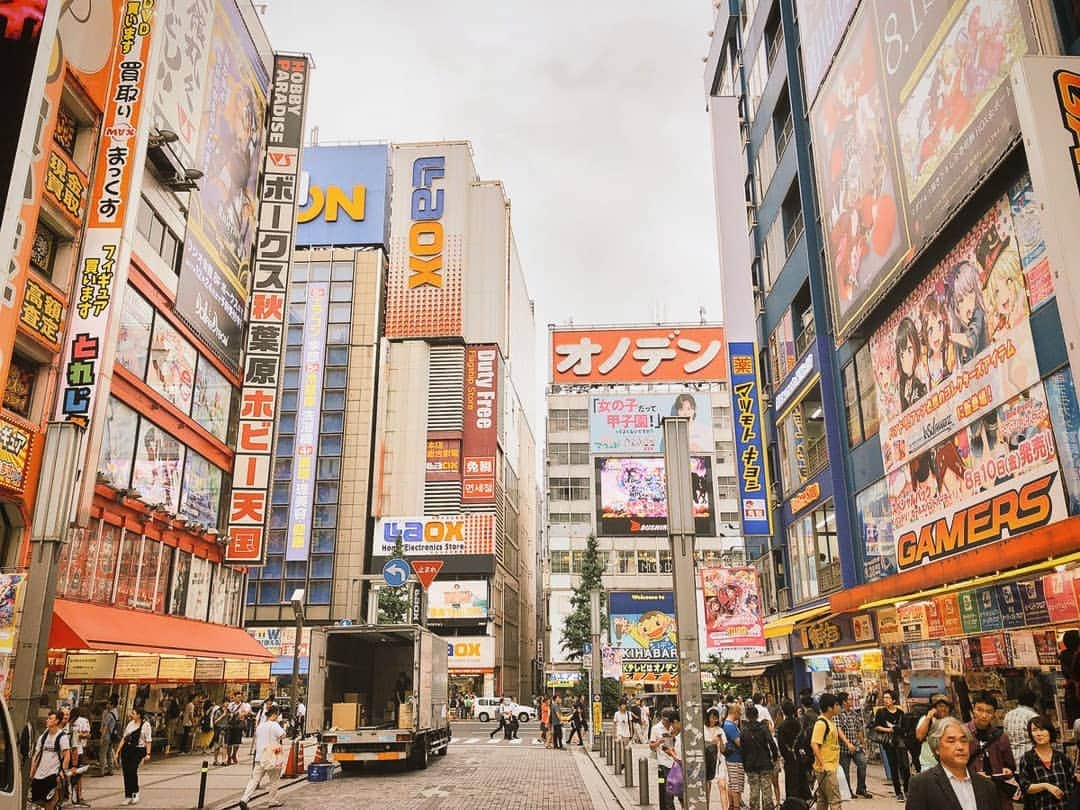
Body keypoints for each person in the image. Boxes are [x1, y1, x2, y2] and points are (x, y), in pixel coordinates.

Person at [905, 717, 999, 810]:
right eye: (951, 741)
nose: (960, 747)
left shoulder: (986, 785)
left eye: (963, 741)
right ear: (937, 748)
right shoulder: (922, 784)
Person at [966, 691, 1017, 810]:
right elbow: (954, 765)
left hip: (997, 792)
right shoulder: (962, 733)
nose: (984, 715)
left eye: (989, 712)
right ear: (973, 710)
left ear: (994, 713)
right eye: (979, 710)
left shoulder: (1001, 736)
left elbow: (1010, 765)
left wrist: (1008, 770)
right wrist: (972, 775)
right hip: (970, 790)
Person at [1017, 715, 1075, 809]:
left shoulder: (1062, 758)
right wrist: (1045, 786)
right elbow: (1025, 787)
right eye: (1034, 730)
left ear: (1050, 731)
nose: (1039, 733)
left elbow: (1072, 784)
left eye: (1042, 729)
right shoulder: (1027, 758)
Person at [239, 705, 285, 810]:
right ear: (274, 715)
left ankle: (244, 799)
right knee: (274, 779)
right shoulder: (275, 725)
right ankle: (272, 800)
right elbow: (282, 735)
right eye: (277, 715)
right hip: (272, 757)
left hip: (260, 756)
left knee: (254, 780)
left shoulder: (260, 726)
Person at [29, 710, 71, 810]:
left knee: (50, 801)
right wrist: (32, 772)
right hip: (39, 774)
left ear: (56, 721)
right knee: (37, 802)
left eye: (50, 718)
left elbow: (67, 756)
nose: (47, 720)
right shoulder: (42, 737)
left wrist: (62, 772)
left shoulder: (62, 737)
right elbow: (37, 756)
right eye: (47, 718)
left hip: (52, 774)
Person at [874, 689, 911, 801]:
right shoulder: (881, 712)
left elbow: (905, 728)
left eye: (888, 697)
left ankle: (907, 790)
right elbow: (876, 726)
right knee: (893, 767)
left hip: (900, 742)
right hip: (889, 743)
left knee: (905, 767)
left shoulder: (900, 713)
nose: (886, 700)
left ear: (894, 700)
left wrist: (899, 730)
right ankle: (898, 792)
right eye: (884, 697)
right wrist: (889, 729)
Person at [740, 705, 777, 810]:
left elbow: (742, 749)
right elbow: (772, 743)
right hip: (765, 763)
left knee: (754, 790)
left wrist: (744, 764)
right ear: (757, 715)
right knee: (767, 790)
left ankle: (754, 807)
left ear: (747, 716)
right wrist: (774, 758)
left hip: (750, 764)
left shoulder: (744, 731)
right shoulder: (763, 728)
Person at [836, 691, 871, 798]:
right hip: (843, 748)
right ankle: (848, 791)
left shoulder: (854, 714)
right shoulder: (838, 715)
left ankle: (861, 788)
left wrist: (863, 742)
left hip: (856, 746)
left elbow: (858, 729)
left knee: (862, 763)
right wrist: (847, 743)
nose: (852, 701)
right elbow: (839, 730)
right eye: (849, 699)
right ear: (844, 702)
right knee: (845, 771)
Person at [811, 693, 843, 810]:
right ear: (829, 708)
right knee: (835, 801)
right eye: (836, 705)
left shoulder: (830, 722)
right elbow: (814, 744)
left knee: (823, 800)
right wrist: (823, 764)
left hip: (829, 766)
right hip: (826, 768)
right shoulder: (821, 723)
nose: (838, 707)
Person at [116, 707, 152, 805]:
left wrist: (148, 754)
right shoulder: (130, 724)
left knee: (132, 770)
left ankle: (135, 793)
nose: (131, 714)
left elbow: (148, 741)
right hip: (127, 750)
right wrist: (117, 751)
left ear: (139, 715)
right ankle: (127, 796)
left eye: (134, 713)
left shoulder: (146, 725)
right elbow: (124, 738)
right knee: (126, 772)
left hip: (138, 750)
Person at [777, 699, 811, 802]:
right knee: (801, 780)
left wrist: (786, 756)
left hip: (789, 759)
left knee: (791, 783)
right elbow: (803, 740)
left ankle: (793, 804)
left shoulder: (782, 726)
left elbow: (781, 745)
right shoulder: (798, 724)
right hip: (800, 758)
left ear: (783, 711)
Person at [916, 695, 953, 771]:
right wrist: (929, 717)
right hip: (928, 764)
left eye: (946, 706)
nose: (944, 709)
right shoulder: (926, 719)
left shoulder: (951, 721)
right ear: (934, 708)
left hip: (947, 765)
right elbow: (919, 736)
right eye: (940, 706)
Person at [1004, 690, 1040, 768]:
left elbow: (1005, 737)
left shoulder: (1008, 715)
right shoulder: (1033, 716)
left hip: (1012, 758)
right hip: (1029, 759)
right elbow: (1038, 739)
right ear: (1034, 702)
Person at [650, 709, 677, 810]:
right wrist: (658, 742)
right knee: (663, 786)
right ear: (662, 718)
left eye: (669, 721)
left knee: (671, 790)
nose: (668, 723)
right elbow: (651, 746)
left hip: (674, 763)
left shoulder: (674, 727)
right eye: (666, 720)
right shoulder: (656, 728)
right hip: (662, 765)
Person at [722, 701, 744, 810]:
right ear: (735, 712)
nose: (740, 716)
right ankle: (736, 806)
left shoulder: (727, 724)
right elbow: (740, 743)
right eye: (739, 713)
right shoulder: (730, 726)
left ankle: (732, 806)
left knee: (733, 784)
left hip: (732, 759)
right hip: (735, 759)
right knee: (736, 785)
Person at [67, 707, 91, 806]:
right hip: (68, 750)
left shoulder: (82, 721)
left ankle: (79, 796)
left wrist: (77, 735)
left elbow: (87, 734)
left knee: (77, 774)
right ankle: (70, 795)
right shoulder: (66, 723)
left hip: (78, 750)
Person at [99, 698, 119, 777]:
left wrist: (101, 737)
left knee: (102, 753)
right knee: (109, 753)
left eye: (108, 703)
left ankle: (101, 771)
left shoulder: (109, 714)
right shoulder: (116, 712)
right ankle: (110, 770)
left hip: (107, 736)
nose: (107, 705)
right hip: (112, 736)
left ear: (112, 705)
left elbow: (105, 727)